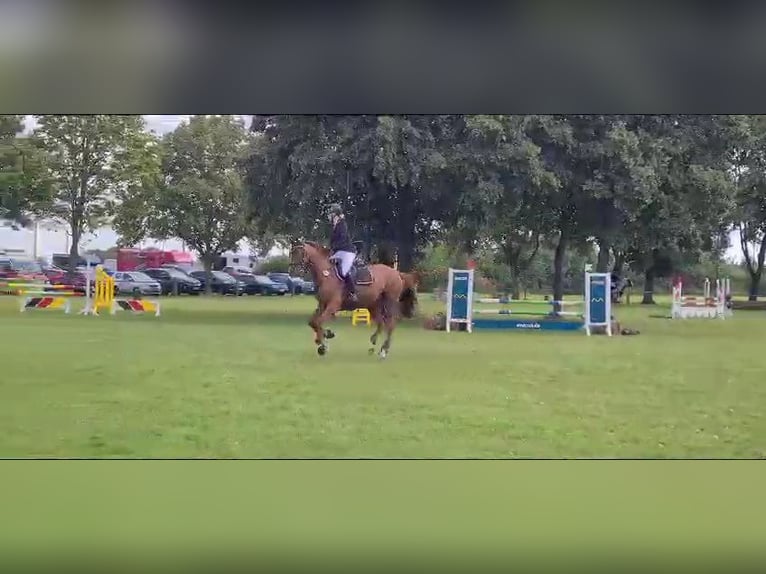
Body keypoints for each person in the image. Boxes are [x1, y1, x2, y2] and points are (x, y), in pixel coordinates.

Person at [326, 203, 358, 303]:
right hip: (339, 251)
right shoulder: (335, 226)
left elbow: (343, 240)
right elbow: (333, 241)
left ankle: (353, 293)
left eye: (331, 214)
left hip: (347, 252)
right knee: (327, 265)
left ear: (336, 214)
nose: (329, 216)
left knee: (343, 271)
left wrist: (333, 249)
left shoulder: (342, 224)